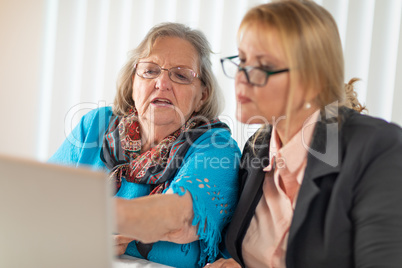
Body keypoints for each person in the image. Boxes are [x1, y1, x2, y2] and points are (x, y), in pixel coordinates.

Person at [207, 0, 402, 267]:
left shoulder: (378, 148)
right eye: (242, 61)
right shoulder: (257, 147)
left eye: (262, 66)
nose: (241, 76)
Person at [49, 22, 240, 268]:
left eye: (181, 75)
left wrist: (99, 219)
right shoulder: (95, 124)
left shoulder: (215, 146)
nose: (162, 83)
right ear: (132, 82)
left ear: (202, 95)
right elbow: (41, 203)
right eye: (150, 71)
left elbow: (180, 217)